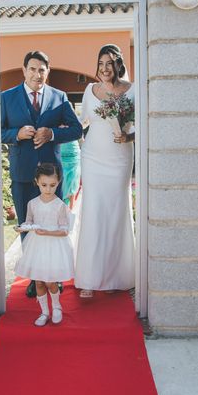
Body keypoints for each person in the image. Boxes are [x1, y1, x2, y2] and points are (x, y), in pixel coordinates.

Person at [1, 51, 83, 297]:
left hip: (51, 177)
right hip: (23, 173)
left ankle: (54, 276)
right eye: (33, 69)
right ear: (24, 70)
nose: (38, 74)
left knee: (52, 225)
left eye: (42, 70)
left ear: (48, 72)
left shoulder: (59, 97)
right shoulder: (7, 98)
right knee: (28, 226)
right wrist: (16, 134)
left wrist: (52, 134)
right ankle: (35, 276)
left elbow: (77, 129)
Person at [74, 44, 135, 298]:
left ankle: (115, 276)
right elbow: (82, 123)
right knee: (94, 212)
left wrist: (129, 137)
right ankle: (89, 278)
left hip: (119, 158)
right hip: (93, 159)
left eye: (109, 63)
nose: (105, 68)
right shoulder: (90, 90)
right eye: (101, 63)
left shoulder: (131, 91)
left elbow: (142, 124)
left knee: (116, 212)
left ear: (118, 65)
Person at [14, 163, 74, 326]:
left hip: (53, 246)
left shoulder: (59, 205)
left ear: (59, 182)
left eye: (52, 185)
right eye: (44, 185)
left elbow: (64, 230)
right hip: (37, 246)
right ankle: (44, 312)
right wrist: (22, 228)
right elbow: (29, 221)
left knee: (50, 281)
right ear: (37, 182)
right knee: (39, 281)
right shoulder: (32, 203)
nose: (48, 189)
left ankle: (56, 307)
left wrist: (46, 232)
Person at [59, 139, 81, 209]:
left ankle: (70, 214)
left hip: (73, 151)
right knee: (59, 184)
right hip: (59, 150)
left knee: (73, 184)